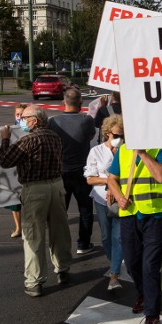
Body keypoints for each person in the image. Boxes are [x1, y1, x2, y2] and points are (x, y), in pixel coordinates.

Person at [0, 106, 72, 297]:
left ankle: (34, 281)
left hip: (35, 189)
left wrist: (5, 139)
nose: (21, 120)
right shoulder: (55, 137)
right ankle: (63, 269)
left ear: (35, 121)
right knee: (60, 231)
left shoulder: (28, 140)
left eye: (24, 118)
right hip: (57, 186)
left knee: (33, 235)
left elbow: (6, 160)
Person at [106, 140, 162, 324]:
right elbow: (112, 178)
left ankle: (152, 314)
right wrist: (118, 197)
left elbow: (161, 176)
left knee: (149, 265)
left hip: (154, 214)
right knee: (133, 263)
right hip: (129, 215)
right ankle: (144, 293)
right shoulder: (123, 150)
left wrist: (143, 153)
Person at [49, 88, 96, 254]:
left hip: (60, 172)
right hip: (82, 172)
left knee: (61, 212)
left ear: (63, 102)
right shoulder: (87, 120)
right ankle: (83, 243)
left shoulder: (53, 122)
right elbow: (90, 136)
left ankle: (60, 246)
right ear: (81, 103)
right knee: (85, 210)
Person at [85, 114, 125, 291]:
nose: (119, 139)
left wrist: (116, 187)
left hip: (122, 198)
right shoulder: (96, 151)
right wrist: (109, 182)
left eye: (122, 136)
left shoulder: (127, 151)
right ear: (107, 133)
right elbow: (90, 179)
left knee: (119, 236)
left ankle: (114, 274)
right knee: (106, 236)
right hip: (101, 199)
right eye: (116, 136)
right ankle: (114, 261)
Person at [5, 103, 28, 239]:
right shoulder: (9, 130)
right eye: (17, 114)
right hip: (14, 172)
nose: (19, 117)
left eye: (22, 115)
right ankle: (18, 227)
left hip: (28, 171)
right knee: (15, 202)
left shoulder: (31, 130)